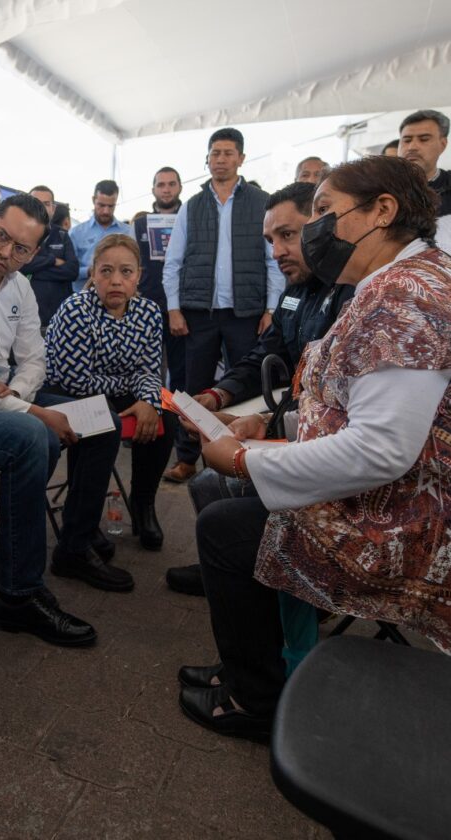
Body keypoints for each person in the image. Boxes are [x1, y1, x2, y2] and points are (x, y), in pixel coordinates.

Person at [178, 155, 451, 741]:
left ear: (383, 210)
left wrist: (248, 458)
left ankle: (259, 700)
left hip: (404, 522)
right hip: (394, 491)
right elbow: (364, 406)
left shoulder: (403, 296)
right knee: (228, 513)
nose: (312, 233)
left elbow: (380, 450)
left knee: (225, 528)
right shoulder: (392, 282)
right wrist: (282, 423)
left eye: (323, 212)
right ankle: (260, 670)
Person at [0, 194, 133, 593]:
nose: (5, 253)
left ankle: (74, 546)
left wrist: (16, 389)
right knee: (41, 434)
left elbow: (35, 359)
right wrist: (33, 410)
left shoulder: (20, 288)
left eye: (20, 248)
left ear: (34, 253)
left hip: (6, 393)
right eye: (1, 237)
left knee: (104, 422)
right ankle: (11, 563)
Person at [164, 181, 355, 597]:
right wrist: (219, 395)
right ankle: (233, 567)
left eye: (287, 235)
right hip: (293, 424)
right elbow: (266, 353)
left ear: (323, 225)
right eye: (270, 240)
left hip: (322, 444)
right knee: (205, 485)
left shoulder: (355, 294)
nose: (276, 251)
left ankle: (275, 581)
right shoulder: (297, 290)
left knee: (220, 496)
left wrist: (268, 423)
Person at [162, 127, 284, 483]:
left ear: (241, 158)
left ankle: (236, 458)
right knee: (193, 388)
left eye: (228, 153)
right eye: (215, 153)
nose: (221, 159)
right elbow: (174, 261)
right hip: (199, 313)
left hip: (246, 314)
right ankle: (187, 458)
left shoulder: (262, 201)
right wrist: (173, 307)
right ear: (208, 159)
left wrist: (272, 309)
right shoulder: (193, 205)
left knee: (242, 386)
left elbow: (272, 260)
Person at [45, 234, 176, 551]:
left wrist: (147, 401)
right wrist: (133, 386)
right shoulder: (76, 310)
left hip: (112, 389)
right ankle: (82, 519)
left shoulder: (148, 312)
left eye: (126, 272)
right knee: (100, 420)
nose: (116, 280)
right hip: (65, 395)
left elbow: (148, 368)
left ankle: (143, 505)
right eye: (106, 271)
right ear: (92, 274)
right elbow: (76, 381)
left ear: (138, 276)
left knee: (166, 416)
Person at [133, 166, 186, 392]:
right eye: (161, 184)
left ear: (180, 187)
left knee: (181, 370)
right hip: (148, 305)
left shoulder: (191, 219)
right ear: (153, 189)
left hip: (183, 307)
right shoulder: (139, 225)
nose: (166, 190)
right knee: (148, 370)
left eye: (171, 184)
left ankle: (178, 422)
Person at [23, 184, 80, 329]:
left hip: (61, 318)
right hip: (27, 316)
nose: (41, 207)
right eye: (36, 202)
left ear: (53, 209)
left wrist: (36, 270)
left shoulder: (62, 235)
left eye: (46, 204)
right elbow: (22, 266)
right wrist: (53, 260)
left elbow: (72, 271)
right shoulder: (19, 234)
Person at [398, 109, 451, 251]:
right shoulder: (374, 189)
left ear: (443, 144)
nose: (412, 147)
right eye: (407, 140)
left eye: (424, 139)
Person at [69, 179, 133, 293]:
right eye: (101, 205)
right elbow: (68, 270)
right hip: (83, 299)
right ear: (94, 200)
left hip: (118, 296)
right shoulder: (76, 233)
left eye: (111, 206)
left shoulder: (128, 232)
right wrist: (88, 271)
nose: (106, 211)